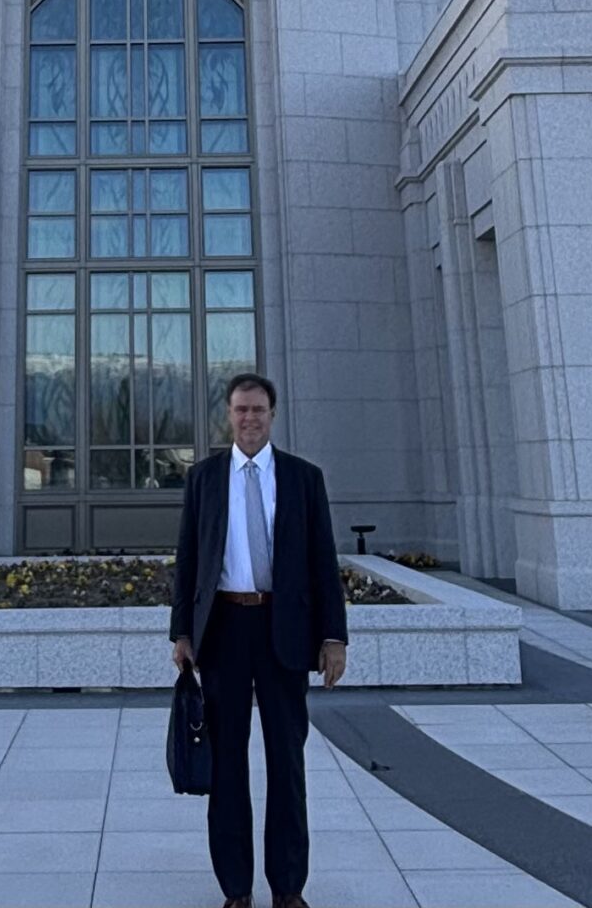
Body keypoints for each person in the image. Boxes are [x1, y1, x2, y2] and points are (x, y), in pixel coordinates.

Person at [170, 371, 347, 908]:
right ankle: (236, 889)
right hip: (224, 630)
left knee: (286, 762)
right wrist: (182, 632)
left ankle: (288, 888)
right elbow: (188, 560)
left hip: (284, 631)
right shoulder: (204, 478)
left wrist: (333, 636)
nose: (249, 418)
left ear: (273, 415)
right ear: (228, 415)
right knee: (227, 763)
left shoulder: (303, 478)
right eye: (241, 409)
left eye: (258, 410)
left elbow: (323, 561)